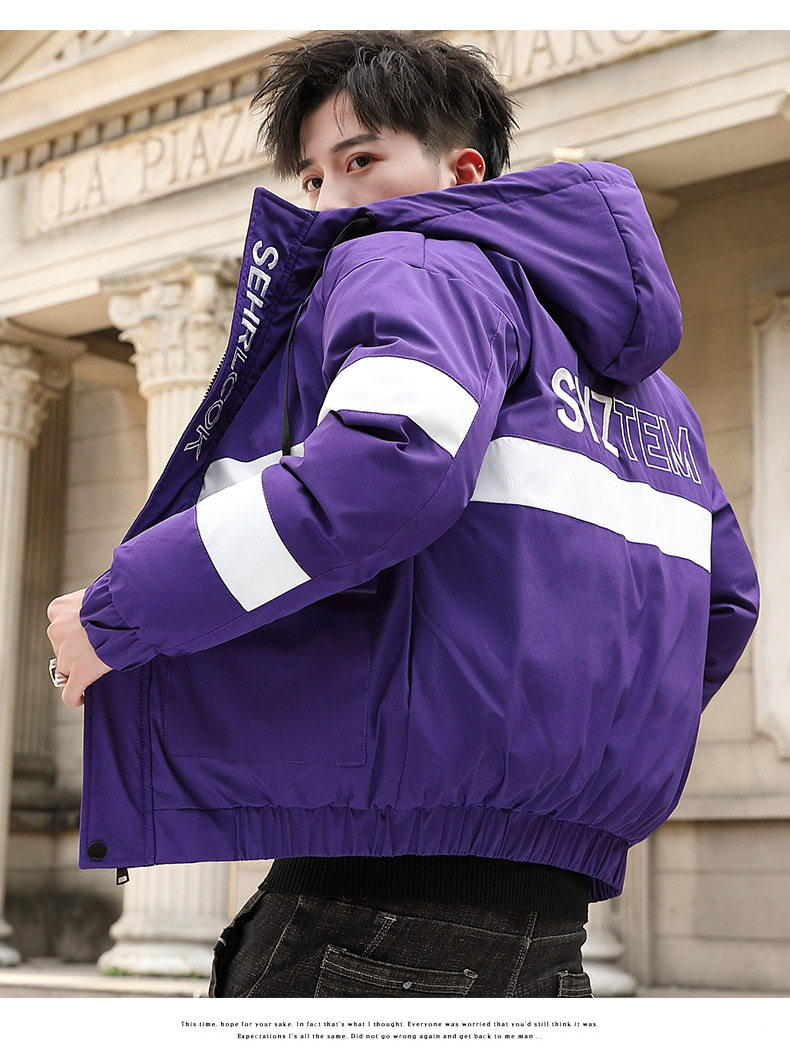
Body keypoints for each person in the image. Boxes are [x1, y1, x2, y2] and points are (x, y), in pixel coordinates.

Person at [46, 31, 759, 999]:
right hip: (553, 921)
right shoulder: (653, 398)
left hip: (373, 900)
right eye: (311, 177)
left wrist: (115, 615)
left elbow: (386, 463)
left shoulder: (414, 258)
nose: (329, 201)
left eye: (360, 160)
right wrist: (559, 733)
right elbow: (726, 602)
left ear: (460, 173)